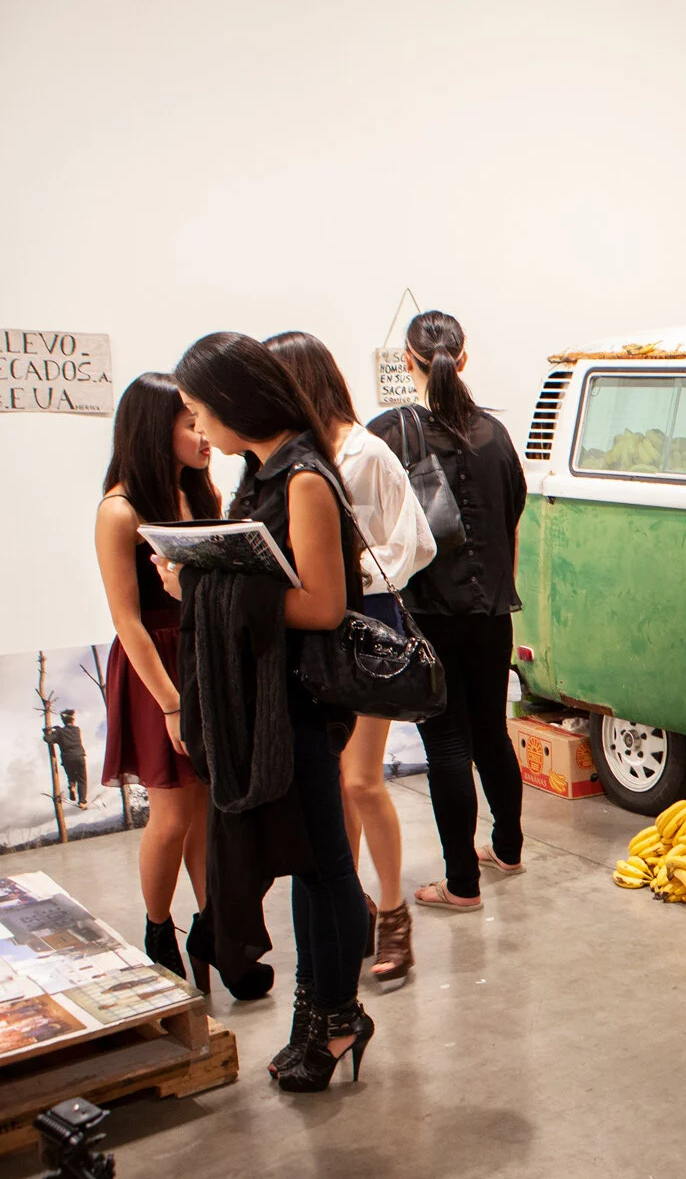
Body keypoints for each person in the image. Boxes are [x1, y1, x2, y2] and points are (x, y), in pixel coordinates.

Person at [167, 332, 375, 1092]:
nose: (198, 427)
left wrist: (202, 586)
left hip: (303, 705)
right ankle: (314, 1016)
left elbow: (323, 605)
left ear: (233, 402)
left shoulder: (305, 478)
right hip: (270, 705)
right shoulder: (263, 473)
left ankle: (339, 1018)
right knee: (309, 869)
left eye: (198, 410)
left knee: (326, 869)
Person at [266, 331, 435, 988]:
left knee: (362, 780)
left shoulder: (366, 452)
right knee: (331, 783)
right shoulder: (295, 456)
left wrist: (346, 573)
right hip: (316, 630)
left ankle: (393, 913)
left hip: (365, 626)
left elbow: (416, 541)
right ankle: (353, 903)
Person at [370, 311, 526, 913]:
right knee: (491, 733)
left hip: (428, 616)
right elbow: (512, 519)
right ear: (463, 359)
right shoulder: (496, 434)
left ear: (407, 362)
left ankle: (461, 883)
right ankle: (507, 849)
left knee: (447, 746)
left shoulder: (390, 432)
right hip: (492, 613)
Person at [94, 372, 220, 979]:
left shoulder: (199, 493)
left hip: (201, 656)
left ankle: (215, 927)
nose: (205, 435)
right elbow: (127, 621)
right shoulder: (119, 511)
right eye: (191, 424)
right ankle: (157, 929)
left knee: (209, 807)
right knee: (171, 814)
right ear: (154, 430)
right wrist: (171, 704)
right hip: (156, 669)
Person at [44, 713, 88, 805]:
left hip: (67, 758)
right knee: (82, 780)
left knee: (71, 775)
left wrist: (47, 732)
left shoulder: (59, 732)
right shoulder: (77, 730)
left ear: (63, 721)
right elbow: (67, 732)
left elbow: (48, 739)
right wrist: (59, 730)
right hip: (79, 756)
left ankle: (72, 785)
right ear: (72, 720)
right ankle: (82, 801)